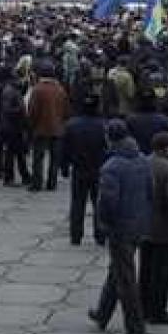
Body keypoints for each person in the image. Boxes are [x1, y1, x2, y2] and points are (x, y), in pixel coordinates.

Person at [89, 120, 153, 334]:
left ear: (109, 138)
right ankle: (103, 312)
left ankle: (135, 330)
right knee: (117, 269)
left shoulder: (112, 166)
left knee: (126, 279)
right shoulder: (144, 160)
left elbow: (107, 201)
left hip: (120, 228)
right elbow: (150, 192)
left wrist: (103, 222)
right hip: (139, 224)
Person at [140, 131, 168, 325]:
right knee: (162, 271)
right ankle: (158, 311)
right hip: (163, 227)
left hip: (143, 225)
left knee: (145, 269)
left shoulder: (143, 162)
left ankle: (143, 307)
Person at [62, 91, 108, 246]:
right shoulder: (103, 125)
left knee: (77, 203)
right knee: (99, 203)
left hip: (79, 168)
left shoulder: (72, 124)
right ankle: (100, 234)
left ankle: (76, 235)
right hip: (98, 169)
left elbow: (65, 148)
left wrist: (64, 166)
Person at [27, 60, 71, 192]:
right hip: (57, 129)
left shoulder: (37, 89)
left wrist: (31, 125)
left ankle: (37, 183)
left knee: (38, 157)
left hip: (40, 128)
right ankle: (52, 183)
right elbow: (67, 111)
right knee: (54, 158)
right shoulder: (60, 90)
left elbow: (32, 110)